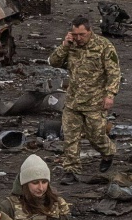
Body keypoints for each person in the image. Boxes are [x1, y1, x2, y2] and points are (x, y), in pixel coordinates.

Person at [50, 15, 121, 175]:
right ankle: (72, 170)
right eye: (75, 35)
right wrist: (65, 46)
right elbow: (53, 62)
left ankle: (108, 152)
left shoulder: (104, 46)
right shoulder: (70, 45)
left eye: (82, 34)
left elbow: (114, 73)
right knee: (70, 138)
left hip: (95, 102)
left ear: (90, 31)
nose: (79, 38)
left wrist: (110, 94)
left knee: (95, 136)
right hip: (73, 101)